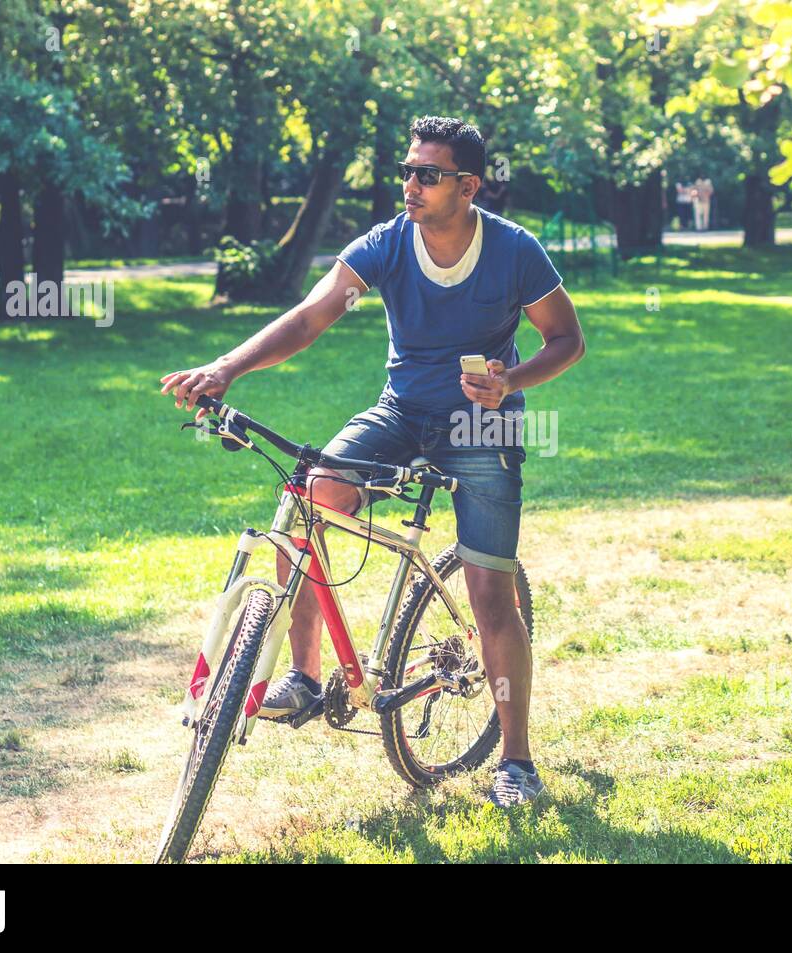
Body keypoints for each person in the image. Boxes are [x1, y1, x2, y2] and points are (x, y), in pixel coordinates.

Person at [159, 116, 585, 808]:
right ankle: (303, 674)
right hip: (399, 412)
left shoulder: (514, 251)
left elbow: (566, 339)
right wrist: (227, 366)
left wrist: (512, 381)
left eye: (428, 174)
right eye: (408, 171)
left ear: (467, 186)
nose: (410, 185)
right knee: (313, 492)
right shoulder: (388, 244)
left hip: (482, 426)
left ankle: (517, 760)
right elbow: (310, 315)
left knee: (489, 596)